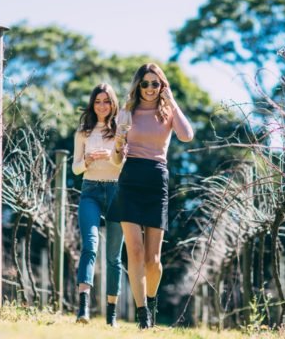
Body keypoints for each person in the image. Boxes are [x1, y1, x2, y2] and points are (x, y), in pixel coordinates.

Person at [111, 63, 194, 329]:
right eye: (145, 83)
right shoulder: (127, 112)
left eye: (155, 84)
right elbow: (115, 159)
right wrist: (118, 147)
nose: (149, 89)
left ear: (162, 86)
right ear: (138, 85)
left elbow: (187, 135)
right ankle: (143, 314)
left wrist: (172, 101)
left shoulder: (168, 111)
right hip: (130, 179)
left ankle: (151, 298)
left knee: (153, 260)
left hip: (157, 179)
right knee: (134, 251)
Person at [72, 83, 124, 327]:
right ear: (92, 105)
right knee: (90, 245)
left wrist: (112, 157)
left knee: (114, 256)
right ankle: (83, 309)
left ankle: (111, 315)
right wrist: (87, 160)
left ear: (113, 103)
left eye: (106, 101)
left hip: (116, 191)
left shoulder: (122, 131)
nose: (102, 105)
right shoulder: (83, 131)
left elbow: (124, 165)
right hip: (90, 190)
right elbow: (75, 168)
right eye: (97, 101)